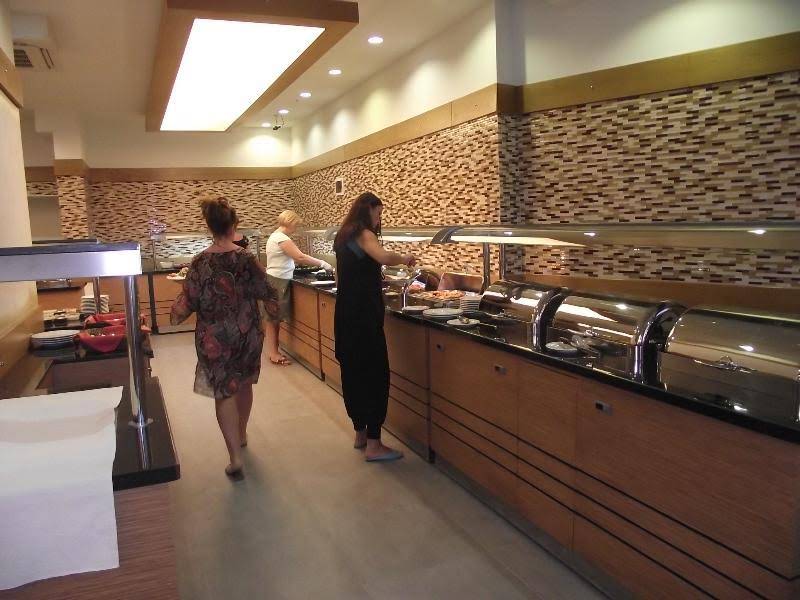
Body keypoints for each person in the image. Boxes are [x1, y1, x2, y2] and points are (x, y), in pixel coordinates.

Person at [171, 197, 278, 478]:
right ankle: (241, 434)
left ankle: (234, 457)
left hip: (214, 338)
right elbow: (267, 290)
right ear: (234, 225)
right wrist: (273, 312)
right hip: (247, 333)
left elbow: (187, 302)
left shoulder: (199, 262)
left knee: (224, 391)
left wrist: (174, 314)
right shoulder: (246, 258)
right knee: (244, 383)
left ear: (209, 226)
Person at [333, 192, 416, 462]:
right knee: (375, 375)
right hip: (364, 317)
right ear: (367, 209)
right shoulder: (363, 233)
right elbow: (383, 256)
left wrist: (374, 281)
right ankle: (375, 444)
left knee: (353, 373)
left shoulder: (343, 235)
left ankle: (360, 433)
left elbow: (347, 274)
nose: (379, 219)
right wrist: (404, 258)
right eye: (378, 213)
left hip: (345, 313)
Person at [264, 210, 333, 366]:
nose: (295, 229)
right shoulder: (281, 238)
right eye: (296, 225)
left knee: (273, 318)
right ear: (290, 222)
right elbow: (300, 256)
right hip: (278, 282)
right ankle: (274, 353)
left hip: (275, 280)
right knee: (273, 319)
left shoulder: (275, 236)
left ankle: (273, 351)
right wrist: (323, 263)